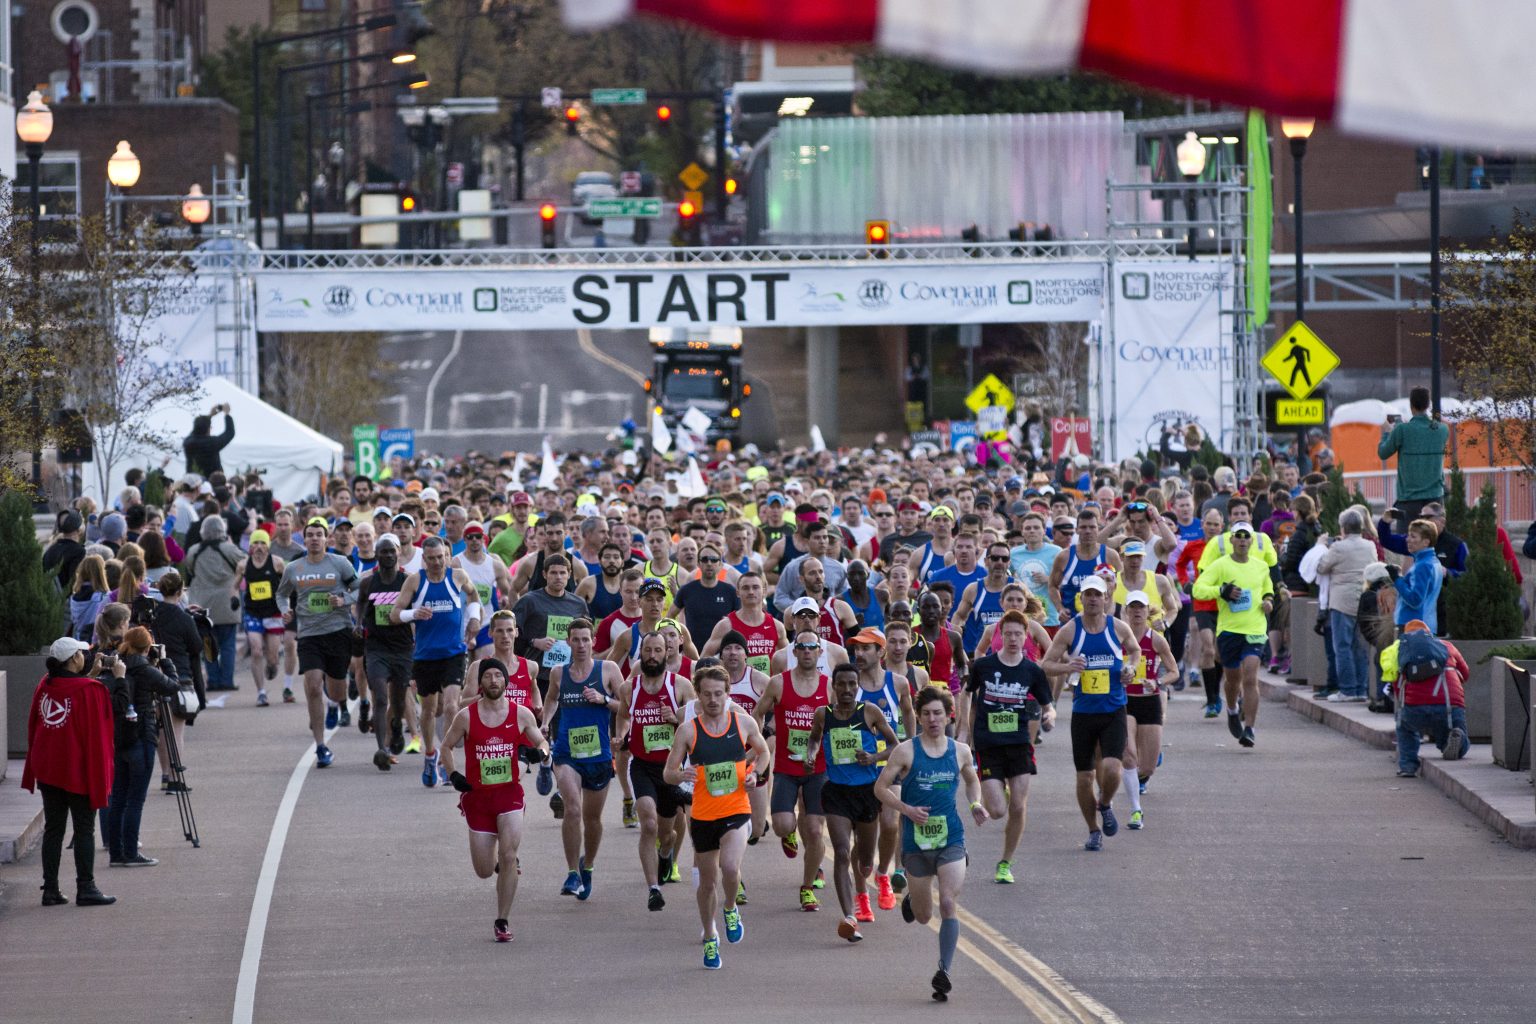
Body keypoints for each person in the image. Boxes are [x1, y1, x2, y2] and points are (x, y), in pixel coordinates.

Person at [874, 685, 988, 1002]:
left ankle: (944, 972)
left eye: (938, 713)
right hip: (916, 842)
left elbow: (972, 779)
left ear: (948, 715)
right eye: (926, 714)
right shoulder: (906, 752)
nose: (932, 719)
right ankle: (912, 899)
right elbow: (880, 788)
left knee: (949, 903)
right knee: (924, 916)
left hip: (951, 837)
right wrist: (906, 809)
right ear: (920, 718)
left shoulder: (960, 750)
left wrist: (976, 805)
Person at [662, 665, 771, 970]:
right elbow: (668, 773)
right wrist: (680, 773)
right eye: (707, 694)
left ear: (728, 693)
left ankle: (731, 907)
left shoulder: (743, 723)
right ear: (698, 694)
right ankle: (710, 935)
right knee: (707, 883)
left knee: (730, 867)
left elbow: (763, 753)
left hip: (736, 809)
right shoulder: (688, 730)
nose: (713, 700)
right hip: (704, 816)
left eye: (718, 694)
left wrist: (755, 774)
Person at [440, 657, 551, 942]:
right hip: (478, 798)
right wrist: (454, 775)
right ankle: (501, 867)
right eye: (487, 676)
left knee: (509, 854)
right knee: (484, 870)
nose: (492, 680)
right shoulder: (466, 716)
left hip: (509, 795)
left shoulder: (521, 714)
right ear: (481, 683)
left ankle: (502, 920)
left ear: (505, 682)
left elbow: (541, 741)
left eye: (497, 676)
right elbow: (447, 746)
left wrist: (542, 753)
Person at [1040, 575, 1140, 850]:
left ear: (1106, 598)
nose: (1094, 599)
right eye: (1088, 595)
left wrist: (1130, 668)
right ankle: (1093, 830)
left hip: (1113, 709)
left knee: (1112, 768)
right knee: (1084, 777)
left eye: (1098, 594)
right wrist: (1069, 666)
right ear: (1081, 599)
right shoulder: (1071, 631)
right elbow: (1046, 664)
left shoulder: (1117, 627)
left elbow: (1134, 651)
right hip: (1083, 713)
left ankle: (1105, 803)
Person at [804, 662, 899, 941]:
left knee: (865, 859)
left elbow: (894, 745)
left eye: (852, 685)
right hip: (837, 792)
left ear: (858, 687)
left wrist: (873, 758)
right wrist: (811, 755)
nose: (847, 689)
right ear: (833, 686)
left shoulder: (869, 712)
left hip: (867, 792)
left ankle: (863, 886)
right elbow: (813, 739)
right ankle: (849, 916)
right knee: (843, 852)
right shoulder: (824, 714)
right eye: (841, 684)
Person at [22, 637, 118, 907]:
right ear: (75, 658)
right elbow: (98, 737)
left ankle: (50, 888)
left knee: (54, 828)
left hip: (50, 768)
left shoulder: (46, 684)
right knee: (84, 829)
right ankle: (86, 886)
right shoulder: (90, 689)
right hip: (78, 771)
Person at [964, 610, 1054, 881]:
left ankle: (1005, 862)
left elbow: (1047, 705)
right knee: (997, 810)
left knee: (1017, 806)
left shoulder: (1032, 671)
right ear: (999, 636)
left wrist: (1050, 715)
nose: (1013, 639)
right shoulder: (983, 667)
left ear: (1026, 637)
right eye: (1008, 634)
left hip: (1018, 744)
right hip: (989, 745)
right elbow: (968, 698)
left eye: (1018, 634)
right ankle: (997, 785)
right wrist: (966, 736)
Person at [540, 618, 623, 901]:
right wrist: (545, 721)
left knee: (592, 819)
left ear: (592, 641)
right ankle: (571, 873)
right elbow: (551, 699)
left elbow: (626, 706)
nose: (581, 645)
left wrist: (603, 699)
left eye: (586, 639)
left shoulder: (608, 670)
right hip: (566, 753)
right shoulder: (559, 673)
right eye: (575, 640)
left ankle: (587, 866)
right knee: (573, 809)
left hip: (599, 755)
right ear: (568, 642)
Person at [614, 631, 696, 910]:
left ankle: (666, 852)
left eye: (657, 650)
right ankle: (653, 888)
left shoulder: (681, 685)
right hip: (643, 767)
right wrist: (621, 735)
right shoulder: (630, 688)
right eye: (647, 650)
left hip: (672, 769)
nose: (652, 656)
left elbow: (696, 720)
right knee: (647, 823)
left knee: (667, 833)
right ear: (641, 653)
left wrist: (676, 718)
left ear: (667, 653)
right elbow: (623, 714)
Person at [393, 536, 481, 788]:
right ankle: (430, 754)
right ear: (424, 559)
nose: (436, 562)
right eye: (430, 558)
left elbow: (474, 596)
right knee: (430, 710)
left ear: (446, 555)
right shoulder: (415, 581)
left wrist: (474, 618)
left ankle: (446, 758)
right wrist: (413, 613)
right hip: (425, 656)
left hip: (453, 652)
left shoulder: (458, 576)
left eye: (440, 557)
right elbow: (394, 614)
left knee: (453, 705)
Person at [752, 629, 830, 911]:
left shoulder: (829, 686)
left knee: (815, 830)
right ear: (794, 651)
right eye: (802, 646)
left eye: (813, 646)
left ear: (820, 652)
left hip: (818, 768)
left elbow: (840, 723)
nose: (807, 651)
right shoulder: (778, 683)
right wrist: (759, 739)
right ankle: (788, 833)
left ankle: (808, 887)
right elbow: (758, 712)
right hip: (786, 766)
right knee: (783, 824)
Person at [276, 516, 361, 768]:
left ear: (327, 538)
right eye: (310, 534)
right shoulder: (294, 567)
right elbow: (281, 594)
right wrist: (284, 610)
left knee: (337, 688)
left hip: (338, 631)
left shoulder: (340, 563)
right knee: (313, 686)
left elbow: (359, 589)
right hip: (309, 635)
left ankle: (334, 704)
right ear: (304, 538)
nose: (314, 538)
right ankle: (321, 746)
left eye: (319, 534)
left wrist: (344, 600)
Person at [1192, 524, 1275, 748]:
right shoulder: (1221, 565)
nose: (1241, 540)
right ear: (1231, 540)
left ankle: (1250, 728)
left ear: (1251, 540)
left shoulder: (1260, 566)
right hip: (1229, 630)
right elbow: (1198, 589)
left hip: (1255, 629)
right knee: (1232, 679)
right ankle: (1231, 709)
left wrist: (1268, 601)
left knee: (1250, 676)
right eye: (1237, 536)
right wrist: (1221, 591)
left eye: (1246, 536)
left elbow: (1268, 588)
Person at [105, 626, 182, 867]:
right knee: (135, 800)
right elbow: (172, 686)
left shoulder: (117, 667)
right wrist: (166, 661)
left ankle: (116, 853)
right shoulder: (146, 670)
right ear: (148, 647)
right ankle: (131, 852)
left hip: (120, 738)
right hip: (143, 736)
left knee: (118, 797)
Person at [1119, 593, 1177, 827]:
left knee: (1148, 766)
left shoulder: (1156, 640)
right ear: (1126, 611)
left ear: (1147, 611)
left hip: (1150, 700)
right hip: (1124, 701)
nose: (1136, 612)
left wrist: (1158, 683)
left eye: (1140, 607)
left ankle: (1140, 776)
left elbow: (1174, 671)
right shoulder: (1118, 637)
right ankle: (1135, 810)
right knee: (1129, 755)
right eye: (1132, 607)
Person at [1384, 621, 1471, 777]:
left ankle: (1408, 766)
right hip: (1449, 702)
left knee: (1405, 727)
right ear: (1429, 634)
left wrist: (1404, 708)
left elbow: (1397, 685)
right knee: (1452, 728)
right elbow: (1465, 673)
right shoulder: (1446, 646)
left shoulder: (1400, 650)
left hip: (1414, 707)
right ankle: (1453, 742)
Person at [357, 534, 414, 769]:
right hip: (377, 648)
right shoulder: (368, 582)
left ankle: (398, 727)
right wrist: (358, 622)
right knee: (380, 697)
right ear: (377, 555)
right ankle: (381, 748)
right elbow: (361, 602)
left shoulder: (407, 581)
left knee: (398, 700)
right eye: (384, 551)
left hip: (402, 648)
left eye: (392, 551)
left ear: (398, 553)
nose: (388, 555)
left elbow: (417, 607)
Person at [1315, 510, 1378, 703]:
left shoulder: (1338, 548)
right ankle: (1361, 689)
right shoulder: (1370, 546)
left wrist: (1321, 546)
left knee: (1342, 646)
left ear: (1343, 528)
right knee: (1360, 647)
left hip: (1342, 602)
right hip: (1364, 601)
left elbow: (1321, 567)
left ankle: (1348, 690)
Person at [182, 514, 243, 692]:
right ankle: (227, 680)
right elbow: (244, 563)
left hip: (202, 604)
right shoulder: (230, 549)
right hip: (227, 603)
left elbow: (190, 569)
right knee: (228, 645)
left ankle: (213, 680)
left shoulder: (194, 550)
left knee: (208, 644)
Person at [1377, 387, 1449, 523]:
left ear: (1411, 406)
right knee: (1435, 540)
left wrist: (1387, 432)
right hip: (1435, 498)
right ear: (1428, 405)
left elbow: (1383, 453)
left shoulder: (1402, 430)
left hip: (1408, 500)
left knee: (1408, 541)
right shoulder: (1442, 430)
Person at [238, 529, 287, 707]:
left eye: (262, 543)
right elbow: (234, 585)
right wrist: (233, 599)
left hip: (273, 613)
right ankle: (261, 692)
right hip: (253, 612)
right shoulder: (243, 565)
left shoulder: (277, 563)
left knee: (272, 656)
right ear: (250, 547)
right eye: (255, 543)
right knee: (257, 650)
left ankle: (272, 665)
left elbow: (287, 584)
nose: (259, 547)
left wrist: (287, 604)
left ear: (268, 546)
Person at [1393, 520, 1445, 634]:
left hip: (1413, 626)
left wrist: (1396, 579)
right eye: (1408, 535)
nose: (1407, 539)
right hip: (1425, 624)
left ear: (1426, 542)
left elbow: (1415, 600)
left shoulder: (1423, 565)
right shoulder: (1433, 562)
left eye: (1413, 536)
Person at [182, 403, 235, 478]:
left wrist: (209, 416)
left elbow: (197, 429)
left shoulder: (187, 442)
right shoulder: (211, 443)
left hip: (192, 479)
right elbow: (229, 433)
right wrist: (227, 414)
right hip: (211, 480)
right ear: (208, 429)